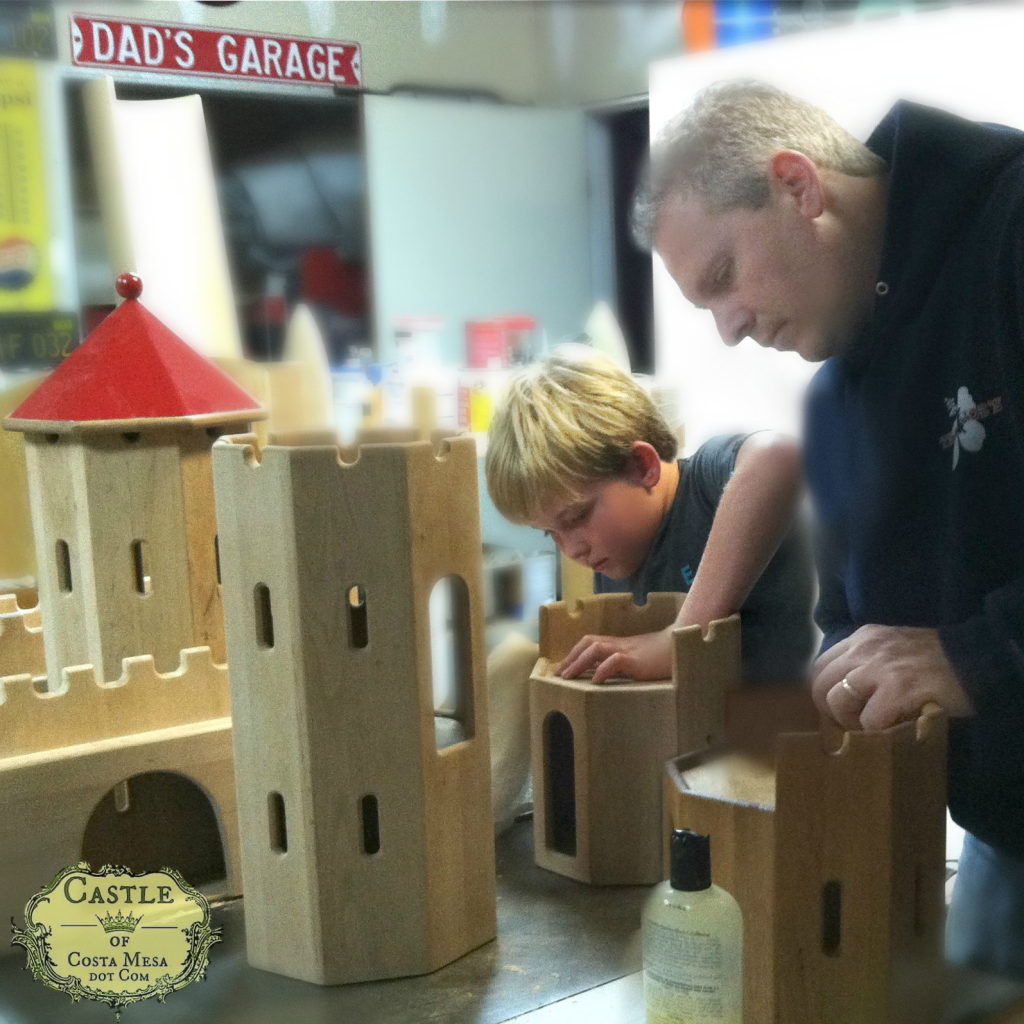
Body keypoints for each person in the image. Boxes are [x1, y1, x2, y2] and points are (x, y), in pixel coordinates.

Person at [635, 79, 1024, 979]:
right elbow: (856, 623)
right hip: (1002, 841)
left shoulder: (1008, 232)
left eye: (723, 277)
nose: (728, 330)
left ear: (798, 187)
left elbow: (952, 654)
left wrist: (979, 652)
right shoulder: (836, 396)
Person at [484, 344, 816, 686]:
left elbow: (778, 458)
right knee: (512, 663)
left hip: (779, 723)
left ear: (643, 466)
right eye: (549, 533)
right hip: (688, 732)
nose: (572, 550)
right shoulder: (615, 560)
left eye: (577, 517)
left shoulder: (705, 486)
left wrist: (679, 638)